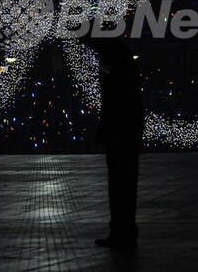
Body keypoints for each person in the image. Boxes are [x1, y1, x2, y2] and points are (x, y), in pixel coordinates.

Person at [81, 33, 145, 250]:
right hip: (127, 127)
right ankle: (123, 230)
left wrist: (104, 128)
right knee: (125, 183)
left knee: (119, 183)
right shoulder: (119, 53)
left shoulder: (110, 56)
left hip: (120, 129)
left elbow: (112, 97)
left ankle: (121, 231)